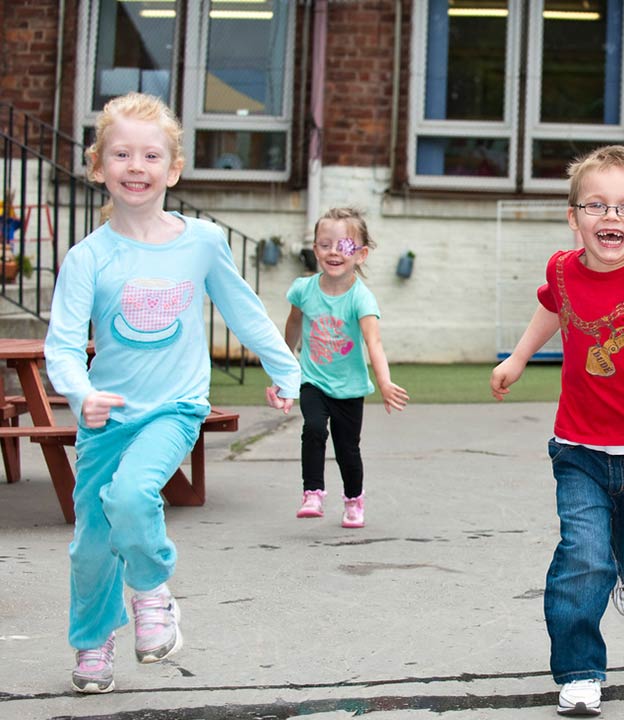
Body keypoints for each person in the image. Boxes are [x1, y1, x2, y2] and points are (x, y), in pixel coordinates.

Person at [43, 92, 301, 694]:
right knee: (91, 544)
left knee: (132, 496)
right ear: (99, 166)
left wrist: (285, 369)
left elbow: (245, 311)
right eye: (122, 154)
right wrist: (82, 394)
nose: (137, 166)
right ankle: (93, 643)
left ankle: (153, 589)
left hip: (174, 407)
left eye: (151, 155)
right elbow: (61, 345)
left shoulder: (202, 242)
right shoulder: (88, 258)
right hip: (106, 417)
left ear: (173, 169)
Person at [489, 145, 624, 716]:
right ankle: (580, 670)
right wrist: (518, 358)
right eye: (597, 206)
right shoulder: (561, 268)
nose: (612, 218)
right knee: (583, 556)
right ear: (574, 215)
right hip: (578, 446)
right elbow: (552, 309)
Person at [284, 207, 408, 528]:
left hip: (350, 387)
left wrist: (384, 382)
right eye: (325, 244)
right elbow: (294, 324)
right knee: (313, 428)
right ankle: (312, 492)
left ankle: (354, 500)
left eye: (344, 246)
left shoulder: (361, 299)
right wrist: (284, 364)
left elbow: (374, 343)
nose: (334, 252)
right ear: (315, 249)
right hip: (313, 379)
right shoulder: (303, 290)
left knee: (347, 449)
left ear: (361, 254)